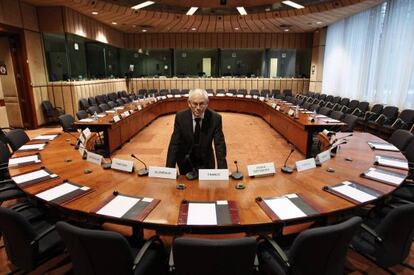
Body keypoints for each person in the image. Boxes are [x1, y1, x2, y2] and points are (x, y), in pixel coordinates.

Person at [166, 88, 227, 175]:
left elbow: (219, 145)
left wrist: (223, 171)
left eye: (201, 104)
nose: (198, 108)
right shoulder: (180, 117)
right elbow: (174, 144)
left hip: (206, 162)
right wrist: (169, 170)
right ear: (189, 103)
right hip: (185, 161)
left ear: (207, 103)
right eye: (195, 104)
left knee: (205, 188)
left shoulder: (215, 118)